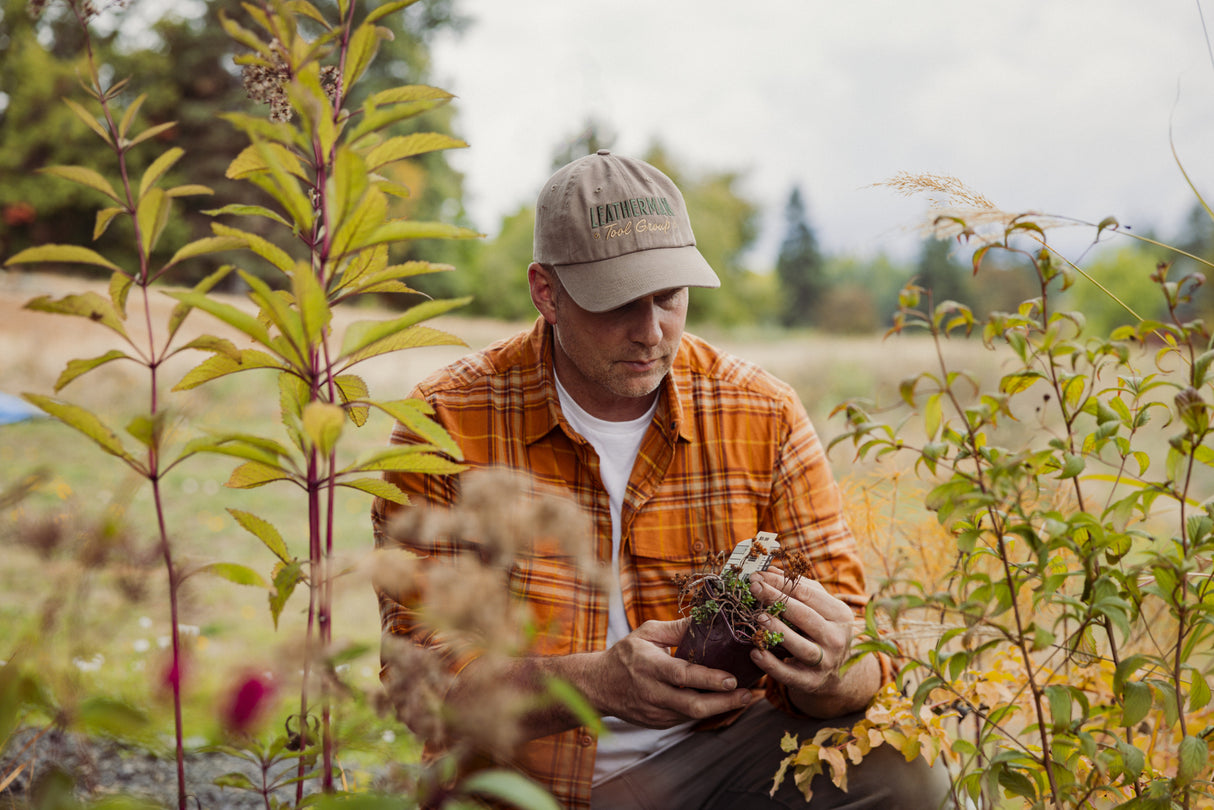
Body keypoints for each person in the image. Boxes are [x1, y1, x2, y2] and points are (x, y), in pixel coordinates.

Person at [372, 150, 951, 809]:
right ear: (546, 292)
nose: (652, 332)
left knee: (904, 769)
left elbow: (865, 652)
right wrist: (594, 684)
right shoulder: (447, 422)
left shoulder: (762, 414)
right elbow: (421, 690)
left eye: (670, 298)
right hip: (520, 787)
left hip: (714, 763)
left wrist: (832, 670)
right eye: (618, 302)